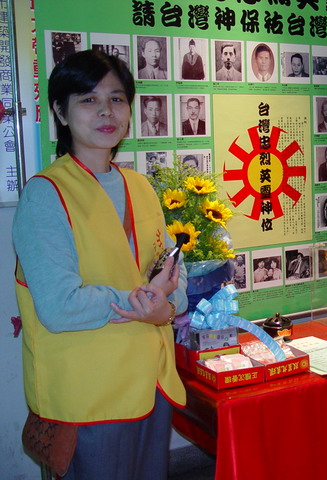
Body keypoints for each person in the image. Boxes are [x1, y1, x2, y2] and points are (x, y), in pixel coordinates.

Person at [12, 50, 188, 478]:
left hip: (151, 384)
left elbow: (171, 273)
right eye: (88, 99)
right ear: (61, 111)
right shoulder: (45, 194)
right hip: (90, 398)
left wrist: (166, 308)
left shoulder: (140, 186)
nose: (106, 111)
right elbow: (59, 306)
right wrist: (144, 302)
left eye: (117, 98)